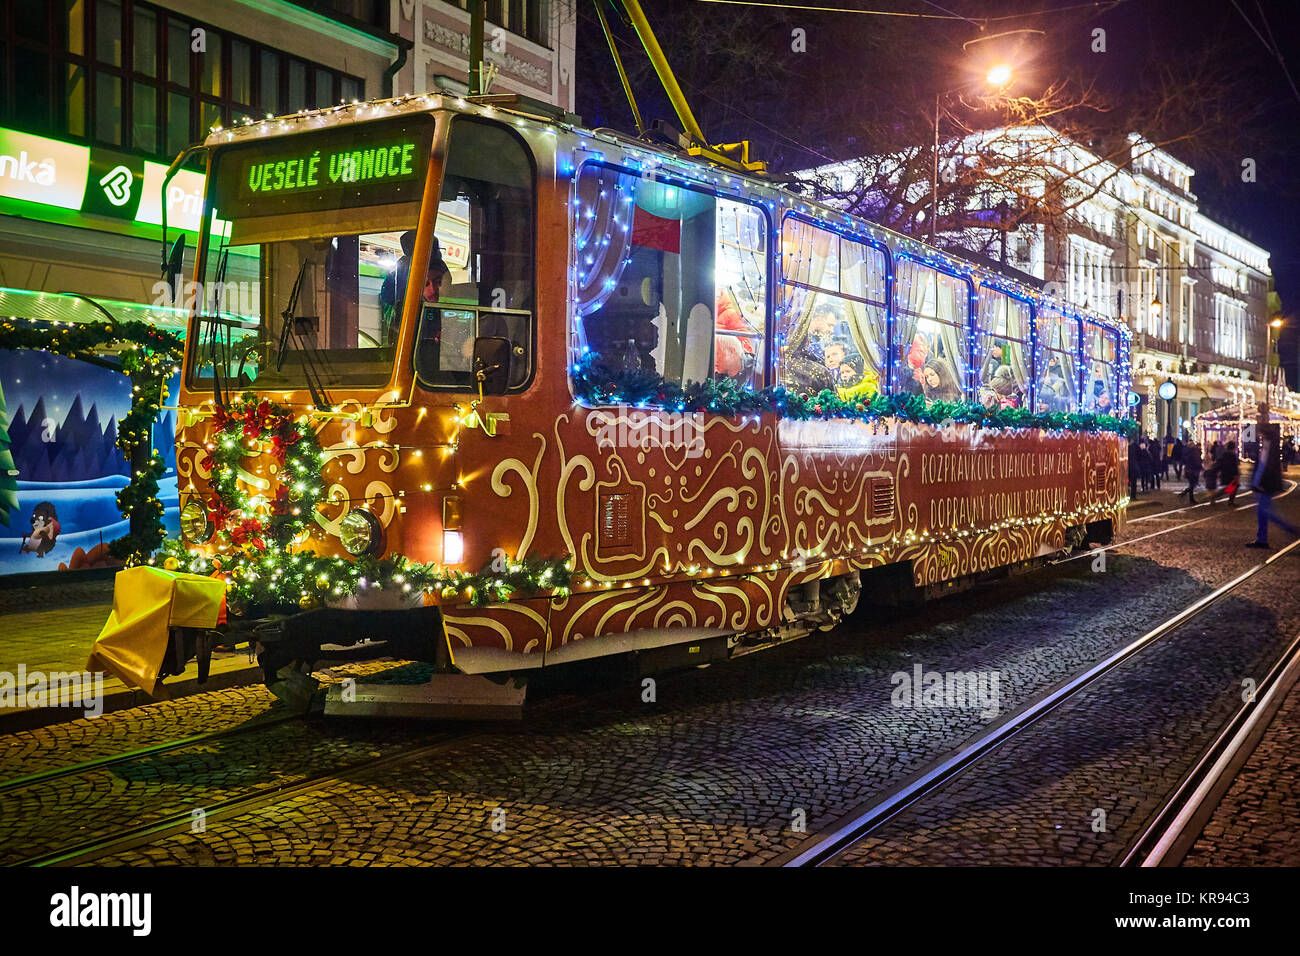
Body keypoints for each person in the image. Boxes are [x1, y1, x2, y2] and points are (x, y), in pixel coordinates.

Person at [1246, 403, 1300, 548]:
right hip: (1261, 481)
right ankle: (1262, 539)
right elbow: (1253, 451)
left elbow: (1265, 464)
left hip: (1266, 482)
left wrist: (1263, 416)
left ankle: (1292, 530)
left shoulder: (1272, 438)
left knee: (1267, 512)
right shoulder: (1263, 443)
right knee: (1263, 512)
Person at [1207, 440, 1240, 506]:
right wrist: (1236, 474)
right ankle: (1215, 496)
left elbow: (1219, 463)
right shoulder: (1232, 455)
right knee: (1231, 488)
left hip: (1225, 473)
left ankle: (1228, 501)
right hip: (1231, 474)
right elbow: (1234, 466)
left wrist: (1214, 469)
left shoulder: (1224, 454)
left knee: (1232, 487)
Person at [1181, 439, 1202, 503]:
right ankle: (1190, 498)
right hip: (1192, 470)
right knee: (1192, 484)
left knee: (1192, 484)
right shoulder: (1193, 452)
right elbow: (1196, 461)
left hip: (1190, 469)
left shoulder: (1189, 451)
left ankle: (1188, 496)